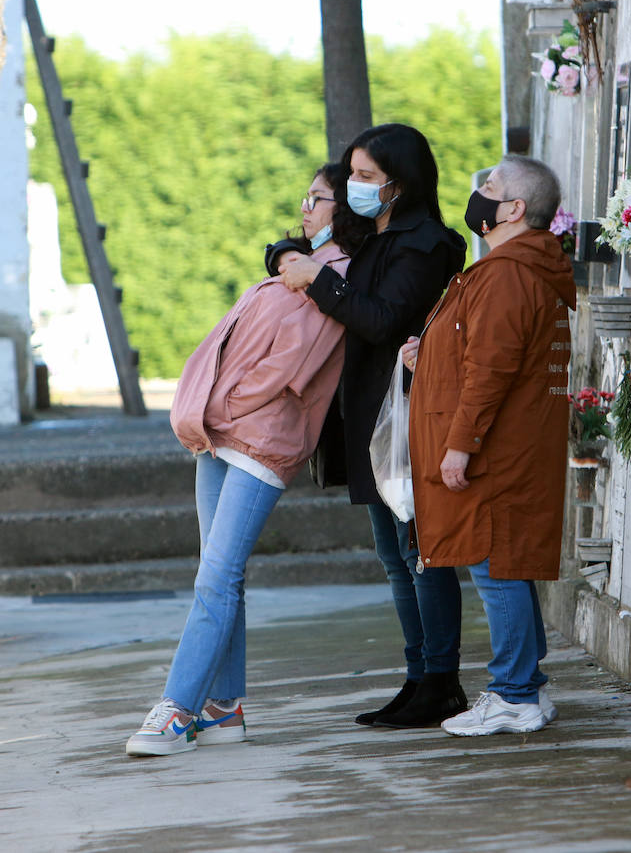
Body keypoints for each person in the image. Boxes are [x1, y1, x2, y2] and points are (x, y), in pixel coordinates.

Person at [124, 163, 351, 756]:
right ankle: (224, 709)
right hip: (220, 432)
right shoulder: (296, 268)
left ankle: (177, 707)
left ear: (345, 206)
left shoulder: (335, 277)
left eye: (318, 198)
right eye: (306, 197)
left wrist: (219, 404)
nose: (306, 207)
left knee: (215, 577)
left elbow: (293, 367)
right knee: (221, 574)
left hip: (262, 439)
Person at [279, 124, 468, 729]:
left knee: (423, 553)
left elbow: (384, 320)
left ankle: (441, 680)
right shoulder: (367, 234)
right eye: (351, 175)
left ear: (400, 183)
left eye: (366, 177)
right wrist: (290, 259)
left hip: (409, 416)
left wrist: (318, 279)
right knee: (392, 556)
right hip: (365, 418)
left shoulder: (426, 243)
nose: (354, 187)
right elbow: (292, 243)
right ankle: (416, 677)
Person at [401, 154, 574, 736]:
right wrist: (429, 358)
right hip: (512, 442)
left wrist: (460, 446)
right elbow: (488, 354)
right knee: (506, 563)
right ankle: (527, 688)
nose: (480, 192)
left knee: (494, 565)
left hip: (496, 448)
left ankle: (514, 693)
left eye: (491, 186)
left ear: (515, 208)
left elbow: (492, 369)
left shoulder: (506, 272)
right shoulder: (521, 269)